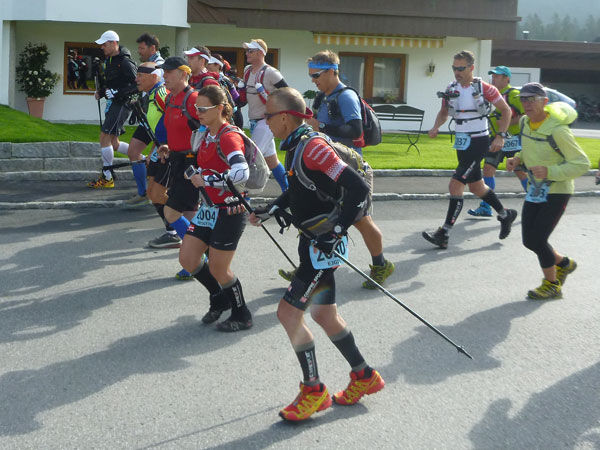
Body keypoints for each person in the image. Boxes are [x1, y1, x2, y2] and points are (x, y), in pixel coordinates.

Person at [249, 87, 384, 422]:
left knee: (287, 314)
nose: (265, 121)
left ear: (284, 117)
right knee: (324, 314)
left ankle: (314, 391)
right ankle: (364, 376)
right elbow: (299, 189)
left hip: (321, 245)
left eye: (268, 116)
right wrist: (272, 208)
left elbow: (358, 187)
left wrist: (336, 231)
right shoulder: (295, 145)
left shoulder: (313, 148)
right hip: (314, 241)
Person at [298, 49, 394, 289]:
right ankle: (308, 267)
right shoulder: (322, 97)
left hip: (351, 169)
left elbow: (355, 130)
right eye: (310, 76)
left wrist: (321, 126)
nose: (313, 80)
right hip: (329, 166)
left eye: (316, 75)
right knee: (317, 215)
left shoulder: (346, 97)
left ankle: (381, 265)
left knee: (361, 221)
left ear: (332, 71)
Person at [423, 50, 518, 249]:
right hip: (462, 141)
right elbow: (444, 112)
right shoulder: (451, 88)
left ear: (471, 67)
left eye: (461, 68)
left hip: (479, 141)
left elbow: (506, 110)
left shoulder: (485, 88)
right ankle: (505, 214)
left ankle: (444, 232)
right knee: (476, 187)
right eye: (454, 68)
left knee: (456, 183)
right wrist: (435, 126)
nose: (457, 72)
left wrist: (500, 136)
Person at [506, 82, 590, 300]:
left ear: (544, 101)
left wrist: (549, 171)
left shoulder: (558, 130)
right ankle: (565, 264)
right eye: (523, 99)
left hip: (558, 190)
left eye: (532, 99)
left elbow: (582, 164)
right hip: (535, 189)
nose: (527, 104)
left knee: (538, 239)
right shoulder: (525, 122)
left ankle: (552, 285)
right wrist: (518, 159)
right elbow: (529, 149)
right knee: (529, 240)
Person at [180, 85, 253, 331]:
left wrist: (208, 180)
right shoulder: (207, 134)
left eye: (203, 108)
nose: (198, 112)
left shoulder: (228, 136)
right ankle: (219, 298)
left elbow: (241, 173)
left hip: (230, 209)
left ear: (220, 108)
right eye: (196, 108)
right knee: (188, 259)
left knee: (219, 268)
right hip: (209, 208)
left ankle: (242, 314)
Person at [153, 56, 204, 281]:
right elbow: (175, 129)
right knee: (190, 214)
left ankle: (198, 258)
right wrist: (167, 146)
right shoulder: (171, 98)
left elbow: (208, 128)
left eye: (169, 72)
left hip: (191, 163)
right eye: (163, 72)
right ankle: (197, 260)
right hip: (176, 160)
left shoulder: (193, 99)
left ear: (183, 74)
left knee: (171, 212)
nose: (164, 76)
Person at [468, 66, 527, 217]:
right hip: (496, 138)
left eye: (497, 76)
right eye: (493, 76)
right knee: (488, 169)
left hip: (512, 138)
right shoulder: (492, 94)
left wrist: (507, 123)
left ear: (507, 78)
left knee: (520, 172)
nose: (493, 79)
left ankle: (536, 201)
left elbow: (525, 115)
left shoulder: (514, 94)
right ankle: (486, 207)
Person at [88, 30, 137, 189]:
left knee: (104, 137)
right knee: (114, 143)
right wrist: (102, 92)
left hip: (122, 104)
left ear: (113, 43)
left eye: (104, 44)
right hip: (114, 103)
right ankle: (144, 160)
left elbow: (137, 85)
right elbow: (113, 83)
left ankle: (107, 177)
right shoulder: (109, 61)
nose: (102, 47)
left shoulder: (125, 62)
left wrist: (117, 92)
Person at [239, 39, 289, 192]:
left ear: (261, 53)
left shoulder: (271, 72)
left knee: (251, 160)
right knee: (272, 161)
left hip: (267, 121)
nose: (247, 53)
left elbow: (287, 93)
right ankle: (289, 191)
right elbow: (243, 99)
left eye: (251, 51)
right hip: (254, 121)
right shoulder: (248, 70)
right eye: (247, 51)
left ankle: (245, 196)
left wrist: (269, 99)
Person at [122, 62, 167, 207]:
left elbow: (169, 126)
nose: (136, 79)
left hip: (166, 144)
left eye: (140, 75)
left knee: (158, 193)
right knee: (133, 151)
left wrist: (154, 150)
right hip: (150, 126)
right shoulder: (151, 92)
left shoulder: (161, 94)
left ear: (153, 77)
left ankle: (175, 210)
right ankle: (143, 193)